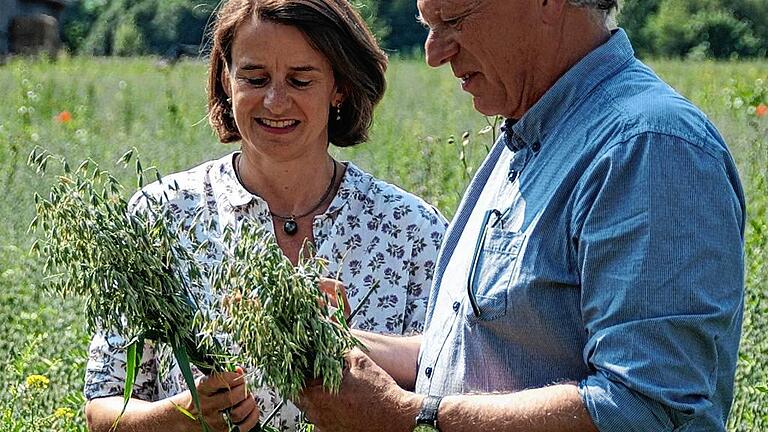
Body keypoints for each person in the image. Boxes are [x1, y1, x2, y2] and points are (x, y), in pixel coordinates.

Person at [297, 0, 746, 431]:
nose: (434, 53)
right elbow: (476, 356)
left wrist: (410, 419)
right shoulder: (533, 133)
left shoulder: (647, 146)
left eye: (453, 20)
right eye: (427, 25)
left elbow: (644, 407)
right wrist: (333, 344)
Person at [83, 1, 447, 431]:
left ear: (339, 86)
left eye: (300, 79)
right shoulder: (161, 216)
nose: (275, 101)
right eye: (255, 78)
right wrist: (180, 417)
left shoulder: (410, 230)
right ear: (226, 78)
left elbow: (451, 387)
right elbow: (101, 407)